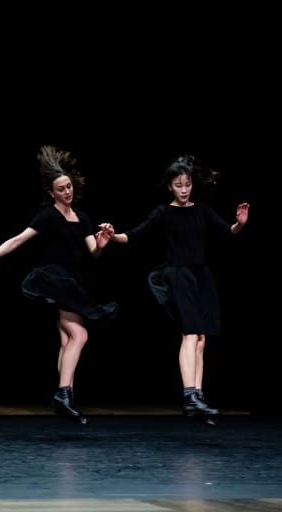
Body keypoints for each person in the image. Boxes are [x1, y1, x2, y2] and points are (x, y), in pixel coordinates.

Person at [98, 154, 249, 420]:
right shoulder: (163, 213)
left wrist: (240, 224)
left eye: (187, 184)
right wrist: (112, 235)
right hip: (178, 275)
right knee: (189, 334)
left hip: (201, 276)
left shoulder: (201, 210)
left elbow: (228, 231)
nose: (184, 189)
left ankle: (198, 396)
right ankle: (189, 396)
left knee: (201, 338)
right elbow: (133, 236)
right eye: (178, 185)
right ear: (170, 186)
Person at [0, 146, 117, 424]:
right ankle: (64, 393)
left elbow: (93, 252)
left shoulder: (83, 218)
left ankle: (65, 396)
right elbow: (18, 239)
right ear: (51, 193)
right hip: (54, 278)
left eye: (69, 187)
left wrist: (101, 244)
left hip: (73, 281)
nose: (67, 192)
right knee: (80, 335)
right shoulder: (48, 215)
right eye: (61, 189)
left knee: (67, 339)